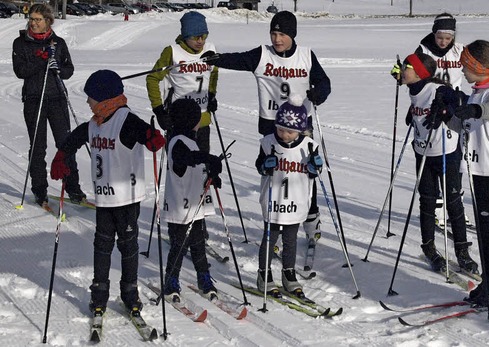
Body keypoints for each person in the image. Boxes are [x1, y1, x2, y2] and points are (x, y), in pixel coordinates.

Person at [201, 10, 331, 247]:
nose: (277, 39)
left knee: (305, 177)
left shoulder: (306, 56)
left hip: (301, 128)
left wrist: (318, 93)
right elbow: (238, 59)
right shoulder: (263, 55)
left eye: (281, 34)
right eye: (273, 33)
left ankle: (312, 223)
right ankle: (277, 229)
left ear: (292, 34)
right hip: (272, 126)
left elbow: (324, 82)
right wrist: (215, 59)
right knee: (276, 177)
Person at [50, 70, 166, 317]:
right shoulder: (95, 124)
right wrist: (61, 156)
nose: (87, 102)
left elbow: (146, 134)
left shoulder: (125, 119)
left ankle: (130, 294)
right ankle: (99, 295)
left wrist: (152, 138)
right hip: (104, 200)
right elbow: (74, 138)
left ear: (103, 98)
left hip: (126, 199)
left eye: (90, 97)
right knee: (101, 247)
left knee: (128, 247)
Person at [442, 40, 489, 306]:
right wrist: (443, 112)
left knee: (488, 229)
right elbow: (461, 123)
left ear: (479, 66)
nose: (462, 70)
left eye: (466, 66)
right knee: (484, 229)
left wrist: (473, 109)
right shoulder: (476, 92)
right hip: (478, 169)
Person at [399, 52, 477, 274]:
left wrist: (445, 110)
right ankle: (429, 247)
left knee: (453, 200)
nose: (403, 70)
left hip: (446, 152)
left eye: (407, 67)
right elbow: (417, 106)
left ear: (421, 72)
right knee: (427, 200)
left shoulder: (437, 89)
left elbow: (459, 99)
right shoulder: (413, 90)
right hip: (422, 152)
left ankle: (462, 251)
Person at [391, 12, 468, 229]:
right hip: (428, 108)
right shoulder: (423, 49)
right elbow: (407, 72)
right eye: (440, 36)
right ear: (434, 33)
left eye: (448, 37)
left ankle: (455, 204)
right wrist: (398, 73)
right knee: (434, 162)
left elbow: (474, 65)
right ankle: (437, 211)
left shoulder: (459, 50)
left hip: (452, 107)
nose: (444, 41)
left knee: (456, 159)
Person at [12, 3, 86, 208]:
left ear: (48, 21)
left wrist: (59, 69)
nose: (33, 23)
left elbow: (69, 69)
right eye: (31, 19)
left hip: (57, 99)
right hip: (34, 99)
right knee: (38, 147)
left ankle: (73, 189)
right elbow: (20, 71)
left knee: (66, 144)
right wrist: (41, 61)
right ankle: (39, 191)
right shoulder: (20, 43)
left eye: (38, 19)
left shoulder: (58, 43)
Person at [254, 96, 323, 298]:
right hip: (274, 201)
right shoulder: (268, 142)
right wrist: (265, 165)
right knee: (270, 238)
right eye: (280, 129)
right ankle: (264, 274)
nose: (284, 134)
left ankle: (288, 273)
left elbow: (314, 172)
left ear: (300, 130)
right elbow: (259, 166)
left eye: (289, 131)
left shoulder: (309, 146)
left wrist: (314, 167)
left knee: (291, 240)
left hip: (295, 201)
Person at [161, 98, 223, 302]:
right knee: (179, 246)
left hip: (195, 206)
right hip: (180, 207)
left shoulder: (189, 140)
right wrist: (207, 158)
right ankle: (171, 281)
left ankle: (204, 278)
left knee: (198, 245)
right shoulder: (178, 141)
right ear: (192, 122)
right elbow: (184, 159)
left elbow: (195, 168)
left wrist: (212, 176)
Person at [146, 11, 219, 152]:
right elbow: (152, 79)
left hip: (203, 119)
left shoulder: (210, 49)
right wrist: (159, 110)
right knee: (180, 168)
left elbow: (214, 72)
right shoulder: (172, 52)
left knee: (202, 167)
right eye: (195, 37)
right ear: (186, 36)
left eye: (204, 36)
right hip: (179, 120)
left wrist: (211, 94)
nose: (200, 41)